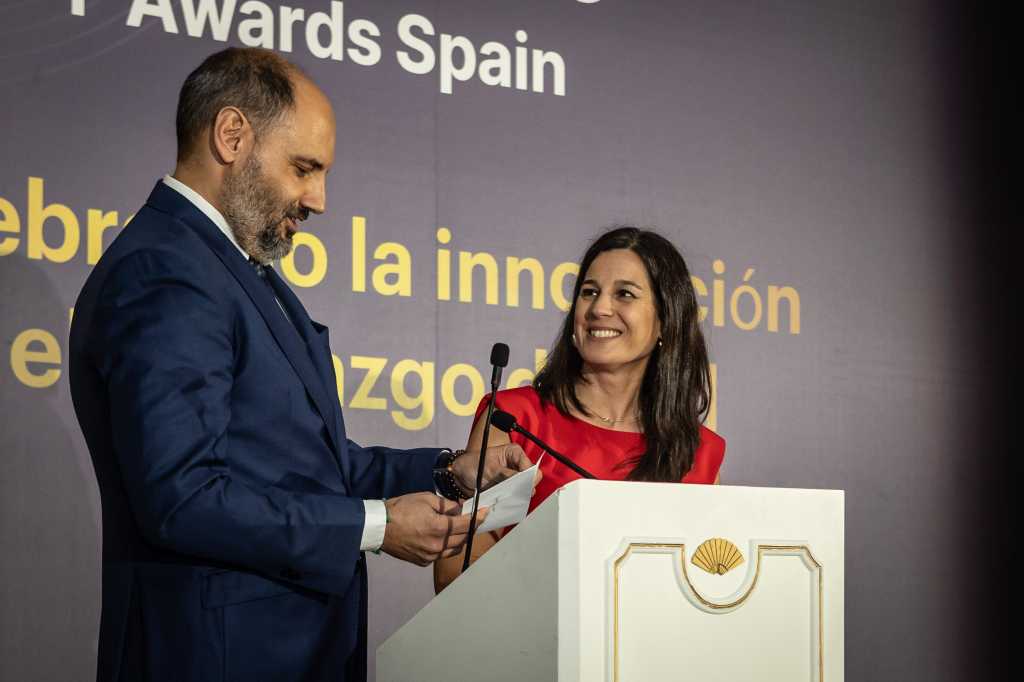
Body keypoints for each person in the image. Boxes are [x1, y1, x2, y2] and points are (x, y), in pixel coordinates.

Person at [69, 48, 529, 682]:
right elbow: (183, 497)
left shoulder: (234, 269)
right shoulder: (167, 271)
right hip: (212, 655)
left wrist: (450, 471)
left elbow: (313, 465)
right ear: (232, 136)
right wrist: (376, 525)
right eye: (304, 168)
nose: (319, 199)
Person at [434, 226, 725, 593]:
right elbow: (455, 577)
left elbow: (707, 583)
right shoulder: (514, 420)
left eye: (624, 294)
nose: (600, 308)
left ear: (666, 320)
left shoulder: (700, 452)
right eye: (589, 292)